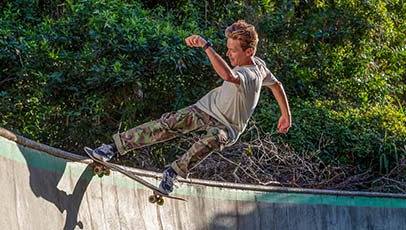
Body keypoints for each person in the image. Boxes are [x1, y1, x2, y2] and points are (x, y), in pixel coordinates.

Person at [87, 20, 292, 195]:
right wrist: (286, 115)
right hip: (205, 109)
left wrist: (206, 46)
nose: (229, 54)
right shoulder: (261, 66)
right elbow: (277, 85)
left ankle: (173, 173)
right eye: (227, 48)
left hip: (227, 127)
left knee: (212, 139)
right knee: (167, 124)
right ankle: (111, 148)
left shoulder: (251, 74)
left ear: (249, 51)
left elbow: (228, 75)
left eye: (233, 51)